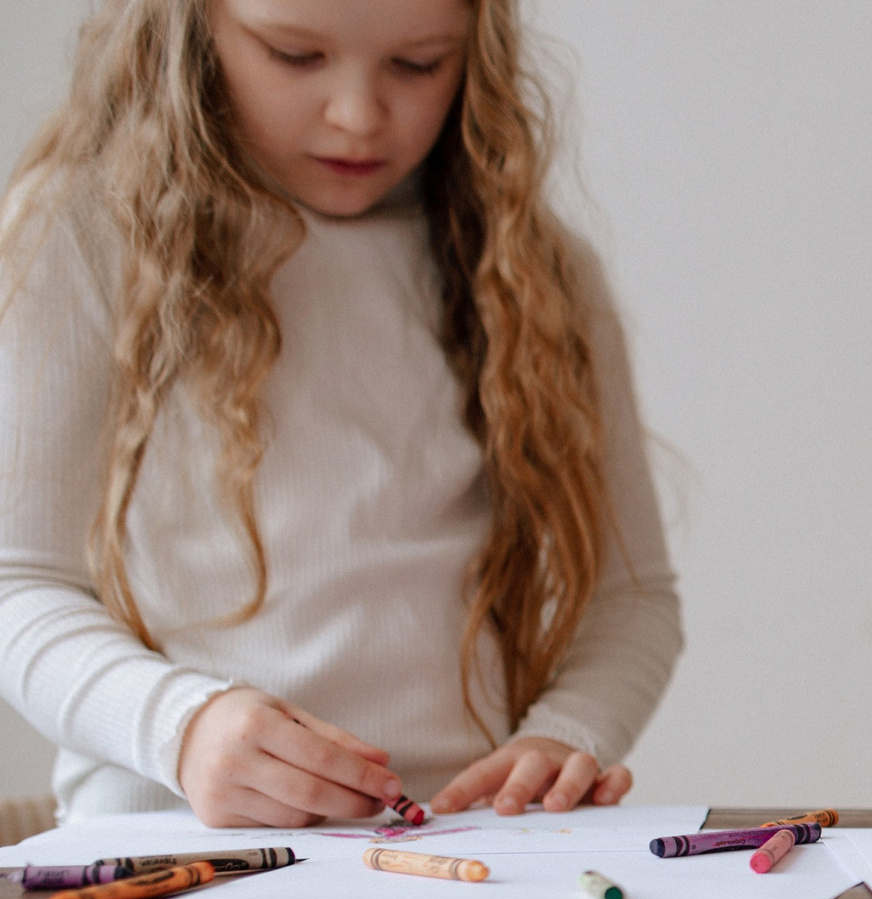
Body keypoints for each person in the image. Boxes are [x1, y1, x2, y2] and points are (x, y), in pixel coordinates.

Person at [0, 0, 680, 829]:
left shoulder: (537, 270)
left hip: (463, 856)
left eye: (419, 64)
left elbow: (633, 602)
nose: (359, 116)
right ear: (187, 28)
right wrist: (183, 727)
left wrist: (563, 737)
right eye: (294, 55)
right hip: (167, 856)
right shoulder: (81, 233)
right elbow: (17, 583)